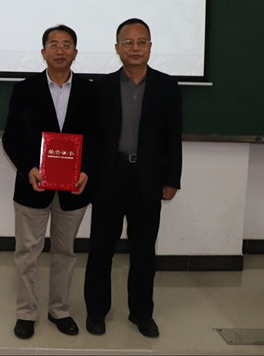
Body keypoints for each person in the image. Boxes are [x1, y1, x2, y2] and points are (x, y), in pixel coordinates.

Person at [83, 18, 182, 338]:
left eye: (141, 42)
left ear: (150, 47)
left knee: (143, 252)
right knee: (101, 249)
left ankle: (141, 313)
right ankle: (96, 312)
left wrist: (172, 179)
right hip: (109, 177)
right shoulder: (102, 88)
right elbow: (93, 138)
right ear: (117, 48)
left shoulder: (167, 87)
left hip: (148, 179)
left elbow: (173, 137)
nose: (135, 48)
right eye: (128, 42)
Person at [2, 24, 98, 340]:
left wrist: (86, 170)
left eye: (66, 44)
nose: (60, 50)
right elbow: (11, 138)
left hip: (74, 188)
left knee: (65, 252)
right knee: (27, 253)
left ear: (75, 53)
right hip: (33, 185)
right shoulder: (24, 89)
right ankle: (26, 313)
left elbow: (98, 139)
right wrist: (28, 168)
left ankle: (60, 311)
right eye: (53, 44)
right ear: (43, 52)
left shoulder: (91, 91)